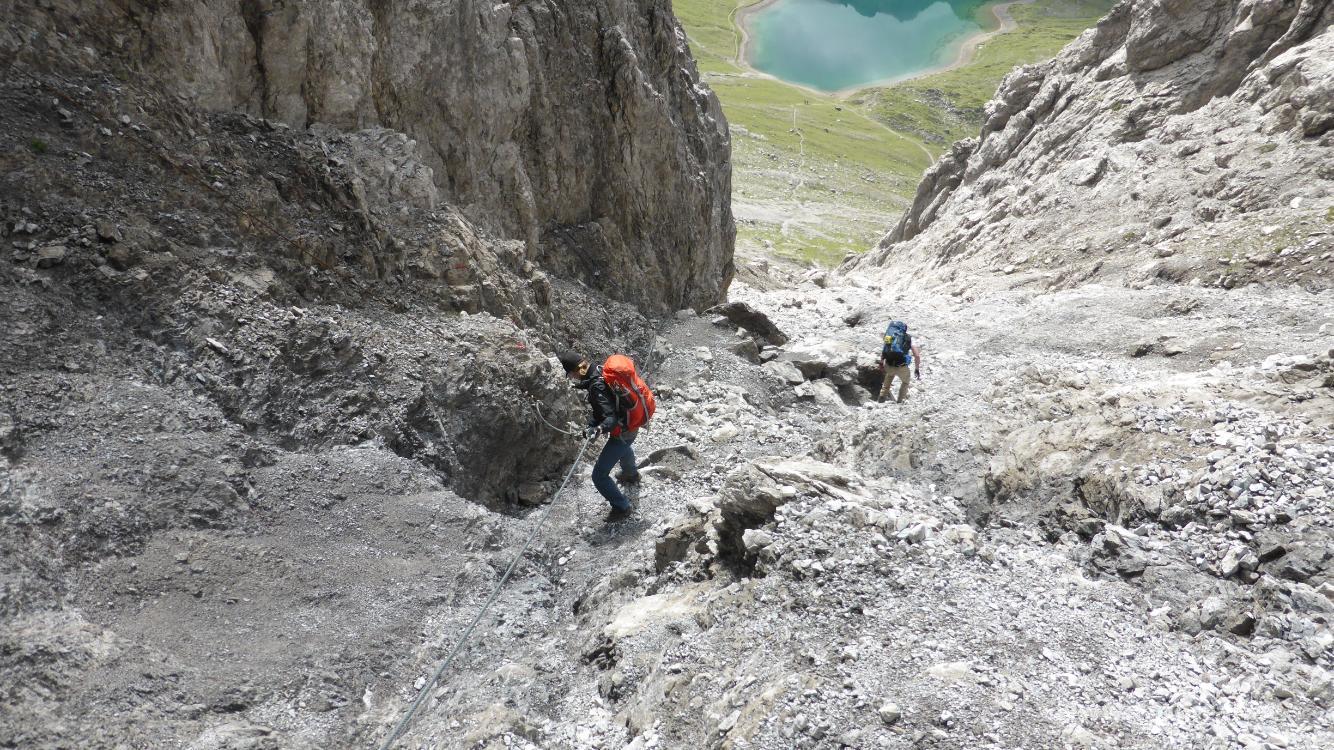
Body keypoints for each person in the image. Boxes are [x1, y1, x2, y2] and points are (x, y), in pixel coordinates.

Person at [558, 351, 642, 521]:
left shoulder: (596, 387)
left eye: (571, 374)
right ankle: (631, 474)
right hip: (632, 423)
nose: (572, 378)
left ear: (576, 371)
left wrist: (596, 429)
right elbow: (602, 408)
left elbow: (610, 419)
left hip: (623, 431)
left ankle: (622, 507)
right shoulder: (598, 369)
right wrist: (592, 424)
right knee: (624, 448)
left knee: (599, 476)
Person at [878, 320, 923, 403]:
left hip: (889, 364)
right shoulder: (909, 338)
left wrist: (881, 363)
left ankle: (881, 397)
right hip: (901, 366)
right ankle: (900, 401)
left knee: (889, 376)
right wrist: (917, 369)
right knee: (905, 382)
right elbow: (917, 355)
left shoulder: (889, 336)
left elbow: (885, 349)